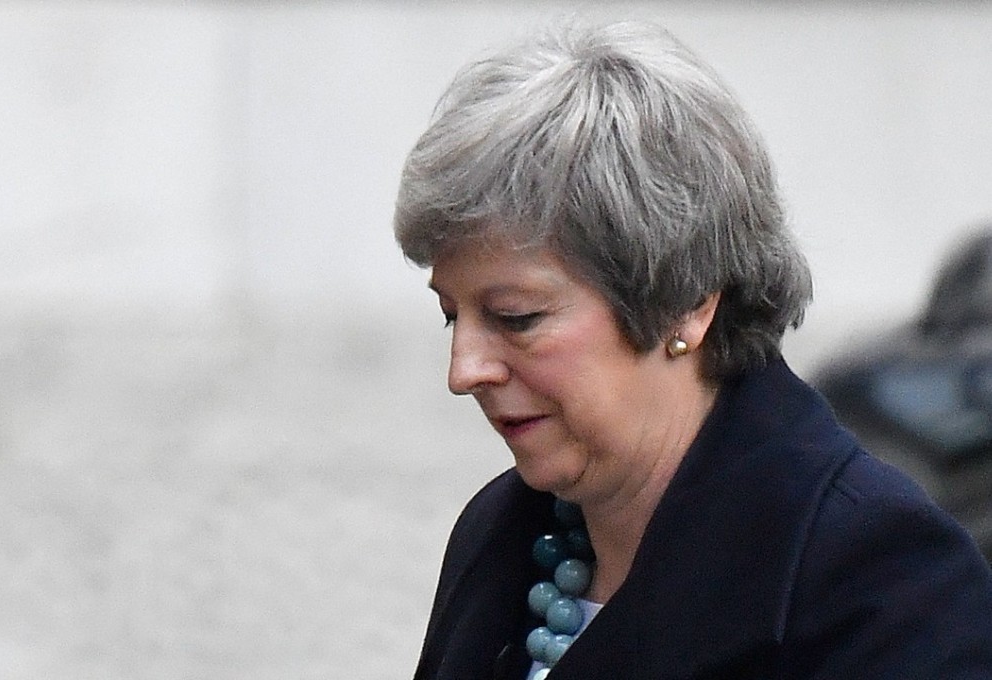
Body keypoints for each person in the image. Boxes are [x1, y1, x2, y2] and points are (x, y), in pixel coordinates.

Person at [392, 19, 992, 680]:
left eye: (517, 317)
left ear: (688, 300)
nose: (464, 370)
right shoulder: (501, 536)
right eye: (453, 315)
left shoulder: (881, 578)